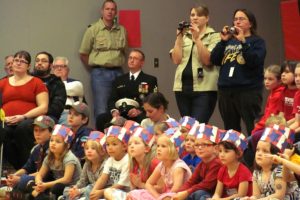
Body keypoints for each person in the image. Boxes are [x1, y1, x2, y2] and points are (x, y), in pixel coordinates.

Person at [210, 9, 267, 136]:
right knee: (231, 130)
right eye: (235, 19)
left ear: (250, 23)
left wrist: (243, 42)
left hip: (248, 90)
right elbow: (214, 59)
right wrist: (223, 41)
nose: (237, 21)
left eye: (242, 19)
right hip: (226, 91)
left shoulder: (257, 42)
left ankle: (253, 154)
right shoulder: (229, 41)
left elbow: (254, 60)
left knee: (252, 127)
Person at [170, 6, 220, 123]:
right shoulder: (185, 35)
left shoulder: (214, 36)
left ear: (207, 18)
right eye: (192, 15)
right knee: (186, 126)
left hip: (204, 88)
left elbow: (207, 60)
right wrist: (179, 37)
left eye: (199, 15)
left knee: (198, 126)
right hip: (182, 87)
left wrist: (197, 39)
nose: (195, 18)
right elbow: (176, 60)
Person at [79, 0, 127, 121]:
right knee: (101, 108)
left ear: (115, 12)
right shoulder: (93, 29)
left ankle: (117, 136)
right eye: (107, 9)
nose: (110, 12)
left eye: (112, 9)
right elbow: (83, 53)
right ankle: (100, 137)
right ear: (102, 11)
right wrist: (95, 66)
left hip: (119, 72)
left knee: (120, 105)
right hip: (100, 73)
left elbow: (124, 50)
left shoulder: (121, 30)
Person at [0, 50, 49, 169]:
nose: (18, 63)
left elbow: (43, 107)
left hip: (28, 119)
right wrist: (4, 118)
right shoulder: (3, 82)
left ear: (28, 66)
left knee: (22, 128)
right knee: (2, 132)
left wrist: (23, 116)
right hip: (6, 120)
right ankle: (16, 168)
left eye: (23, 61)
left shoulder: (37, 82)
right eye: (16, 60)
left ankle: (27, 169)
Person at [96, 49, 158, 131]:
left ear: (142, 62)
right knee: (101, 118)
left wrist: (139, 110)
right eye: (130, 58)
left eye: (135, 58)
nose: (131, 60)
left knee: (144, 120)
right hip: (120, 113)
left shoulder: (149, 80)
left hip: (138, 114)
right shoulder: (119, 80)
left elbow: (152, 100)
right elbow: (112, 99)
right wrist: (114, 111)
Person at [129, 127, 192, 200]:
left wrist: (163, 197)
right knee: (134, 193)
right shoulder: (161, 165)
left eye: (163, 146)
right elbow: (149, 184)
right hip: (165, 195)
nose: (158, 149)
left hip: (180, 196)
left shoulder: (178, 167)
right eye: (158, 145)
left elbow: (176, 189)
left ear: (174, 150)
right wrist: (157, 197)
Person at [242, 127, 297, 199]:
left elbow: (279, 196)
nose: (259, 153)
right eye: (257, 150)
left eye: (265, 151)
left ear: (275, 156)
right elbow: (256, 196)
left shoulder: (279, 171)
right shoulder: (256, 172)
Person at [30, 124, 82, 199]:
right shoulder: (49, 157)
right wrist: (39, 183)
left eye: (58, 142)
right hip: (55, 184)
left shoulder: (69, 158)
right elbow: (40, 174)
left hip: (71, 188)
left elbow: (66, 179)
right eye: (51, 140)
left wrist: (45, 185)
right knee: (31, 183)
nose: (53, 143)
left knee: (56, 187)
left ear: (66, 146)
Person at [173, 124, 223, 200]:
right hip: (203, 192)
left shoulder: (217, 163)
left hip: (214, 196)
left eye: (204, 144)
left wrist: (186, 192)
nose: (199, 148)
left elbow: (206, 185)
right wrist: (177, 194)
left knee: (199, 193)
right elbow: (191, 182)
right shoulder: (202, 163)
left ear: (215, 148)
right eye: (197, 145)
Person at [6, 115, 54, 193]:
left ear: (51, 132)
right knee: (16, 184)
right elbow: (26, 168)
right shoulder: (36, 149)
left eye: (42, 130)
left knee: (23, 182)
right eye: (36, 130)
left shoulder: (53, 149)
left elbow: (46, 174)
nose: (38, 133)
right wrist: (14, 175)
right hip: (38, 179)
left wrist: (20, 179)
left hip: (48, 180)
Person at [62, 131, 107, 200]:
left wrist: (79, 191)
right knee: (67, 190)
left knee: (89, 189)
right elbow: (82, 180)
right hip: (87, 190)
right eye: (86, 148)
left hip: (101, 192)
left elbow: (97, 185)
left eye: (93, 148)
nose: (89, 151)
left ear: (102, 151)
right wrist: (76, 188)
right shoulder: (87, 163)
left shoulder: (105, 164)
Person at [90, 126, 131, 200]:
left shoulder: (127, 161)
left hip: (125, 193)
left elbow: (121, 185)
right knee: (90, 190)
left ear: (124, 146)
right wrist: (94, 191)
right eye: (107, 144)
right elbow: (103, 178)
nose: (110, 147)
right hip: (112, 192)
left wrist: (101, 192)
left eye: (114, 144)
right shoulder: (110, 160)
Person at [211, 130, 252, 199]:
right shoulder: (222, 169)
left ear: (238, 154)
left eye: (226, 151)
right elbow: (217, 193)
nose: (221, 155)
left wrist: (223, 199)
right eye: (220, 151)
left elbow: (241, 195)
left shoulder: (244, 171)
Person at [33, 51, 67, 123]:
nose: (39, 63)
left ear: (51, 66)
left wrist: (37, 113)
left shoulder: (57, 83)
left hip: (48, 117)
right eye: (37, 60)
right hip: (26, 115)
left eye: (44, 61)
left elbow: (57, 108)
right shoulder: (28, 78)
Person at [52, 56, 85, 125]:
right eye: (56, 66)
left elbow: (83, 104)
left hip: (69, 112)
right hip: (53, 113)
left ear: (67, 70)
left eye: (63, 66)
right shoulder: (49, 83)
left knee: (69, 119)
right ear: (52, 69)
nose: (59, 68)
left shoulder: (76, 84)